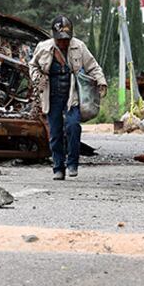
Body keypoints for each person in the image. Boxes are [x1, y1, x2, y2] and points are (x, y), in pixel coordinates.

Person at [30, 15, 107, 180]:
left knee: (73, 127)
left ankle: (72, 163)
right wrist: (38, 78)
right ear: (54, 37)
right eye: (60, 40)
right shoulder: (43, 48)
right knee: (56, 133)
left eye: (66, 39)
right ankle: (58, 167)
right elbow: (33, 66)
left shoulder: (79, 47)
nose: (63, 43)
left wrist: (101, 81)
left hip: (73, 95)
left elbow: (93, 66)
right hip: (52, 96)